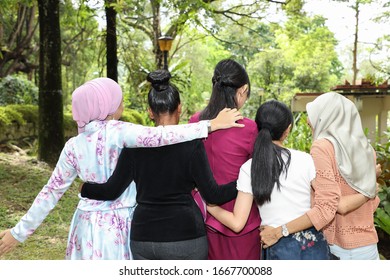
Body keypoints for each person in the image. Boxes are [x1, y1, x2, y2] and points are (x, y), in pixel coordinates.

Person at [0, 77, 244, 260]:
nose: (122, 103)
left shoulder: (72, 146)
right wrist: (209, 125)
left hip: (84, 227)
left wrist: (18, 233)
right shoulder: (120, 132)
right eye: (119, 100)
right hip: (118, 227)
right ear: (105, 106)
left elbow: (50, 192)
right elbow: (162, 135)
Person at [80, 70, 239, 260]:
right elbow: (213, 195)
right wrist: (245, 181)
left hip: (143, 239)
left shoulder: (134, 145)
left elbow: (111, 191)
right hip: (185, 237)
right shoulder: (192, 144)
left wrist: (84, 188)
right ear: (179, 108)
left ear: (150, 112)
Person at [260, 92, 380, 260]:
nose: (310, 121)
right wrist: (370, 189)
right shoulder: (367, 150)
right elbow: (371, 206)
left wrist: (279, 231)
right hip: (368, 246)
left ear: (326, 116)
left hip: (341, 248)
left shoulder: (322, 147)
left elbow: (334, 205)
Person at [207, 100, 332, 260]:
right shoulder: (306, 160)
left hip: (277, 245)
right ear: (287, 129)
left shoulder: (250, 168)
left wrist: (210, 207)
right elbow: (320, 206)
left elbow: (237, 223)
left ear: (258, 128)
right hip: (312, 244)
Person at [189, 58, 261, 260]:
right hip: (241, 221)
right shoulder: (248, 128)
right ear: (243, 89)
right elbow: (257, 175)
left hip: (203, 217)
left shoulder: (195, 122)